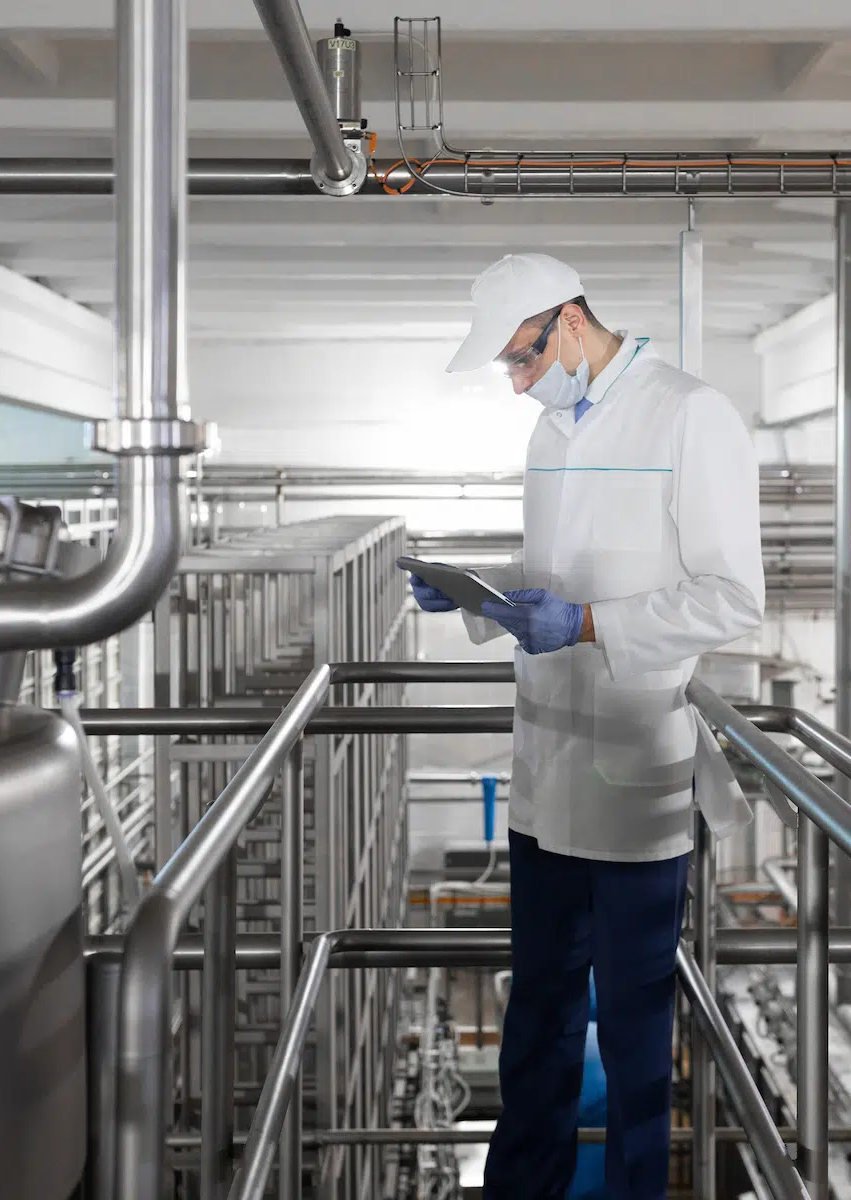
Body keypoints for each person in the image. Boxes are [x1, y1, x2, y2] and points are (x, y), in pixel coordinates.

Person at [410, 253, 765, 1200]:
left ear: (569, 321)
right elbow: (557, 573)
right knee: (539, 1017)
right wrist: (477, 594)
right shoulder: (554, 432)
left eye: (524, 359)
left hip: (633, 778)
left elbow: (732, 597)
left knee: (638, 1032)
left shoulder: (691, 414)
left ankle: (638, 1192)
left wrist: (596, 626)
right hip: (546, 775)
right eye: (510, 371)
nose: (521, 384)